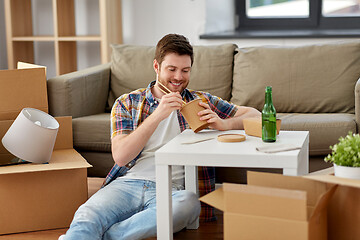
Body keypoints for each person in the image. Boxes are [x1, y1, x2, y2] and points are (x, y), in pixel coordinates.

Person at [59, 33, 260, 240]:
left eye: (185, 70)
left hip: (173, 190)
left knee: (189, 204)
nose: (178, 77)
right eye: (171, 69)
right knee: (88, 214)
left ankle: (109, 237)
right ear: (157, 66)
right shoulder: (127, 102)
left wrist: (223, 123)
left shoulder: (201, 101)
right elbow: (120, 156)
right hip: (127, 184)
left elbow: (256, 116)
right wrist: (157, 115)